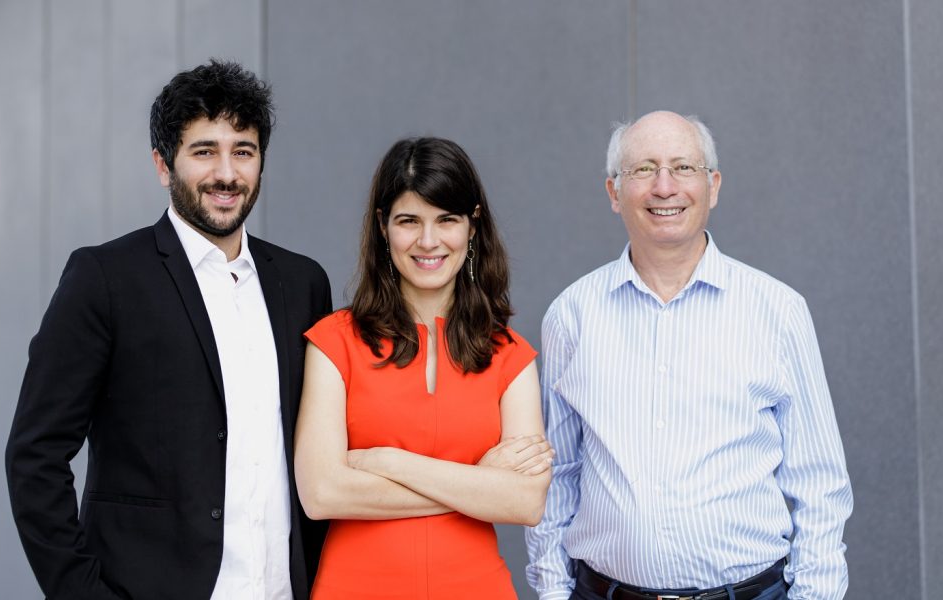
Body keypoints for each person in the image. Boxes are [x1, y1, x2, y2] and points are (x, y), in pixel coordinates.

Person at [5, 60, 331, 600]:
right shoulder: (105, 278)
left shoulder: (302, 284)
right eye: (204, 151)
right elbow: (34, 456)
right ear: (163, 164)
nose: (226, 173)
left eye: (243, 152)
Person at [526, 111, 853, 600]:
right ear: (614, 193)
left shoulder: (777, 310)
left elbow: (819, 482)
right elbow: (557, 476)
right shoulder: (571, 316)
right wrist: (553, 593)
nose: (664, 187)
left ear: (713, 186)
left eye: (683, 167)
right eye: (643, 170)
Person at [294, 137, 553, 599]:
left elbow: (525, 501)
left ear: (472, 226)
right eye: (409, 221)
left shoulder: (510, 354)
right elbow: (321, 494)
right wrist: (476, 482)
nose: (428, 241)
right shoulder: (334, 341)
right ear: (383, 227)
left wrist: (388, 462)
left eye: (446, 220)